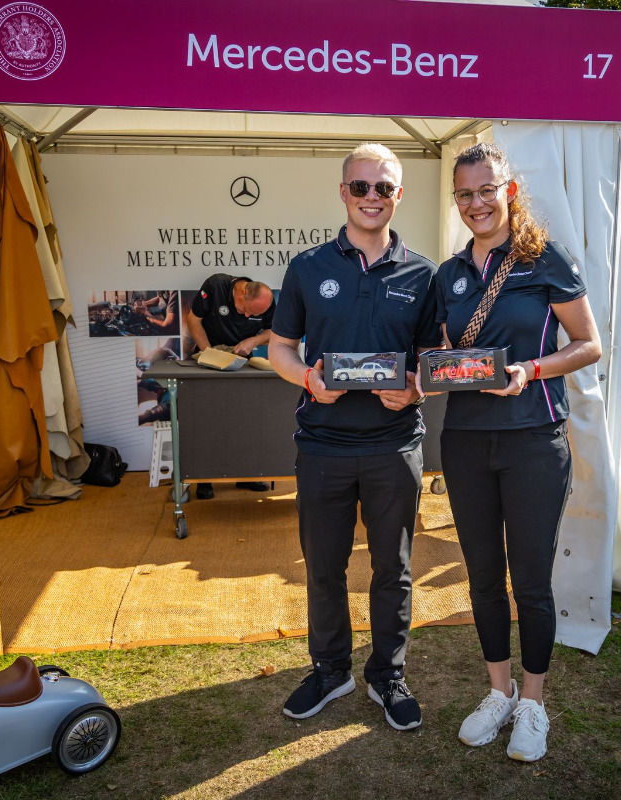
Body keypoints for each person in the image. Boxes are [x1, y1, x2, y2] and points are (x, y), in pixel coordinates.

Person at [429, 142, 601, 761]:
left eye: (486, 190)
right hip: (466, 441)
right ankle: (497, 692)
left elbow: (589, 344)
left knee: (530, 581)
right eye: (465, 194)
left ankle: (533, 703)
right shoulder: (448, 274)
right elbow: (441, 351)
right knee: (481, 577)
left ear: (509, 192)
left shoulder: (544, 259)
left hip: (534, 439)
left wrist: (532, 368)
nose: (476, 203)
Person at [268, 143, 441, 731]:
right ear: (343, 192)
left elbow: (433, 358)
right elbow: (280, 349)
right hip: (323, 444)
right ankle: (330, 669)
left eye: (383, 187)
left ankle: (387, 675)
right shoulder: (307, 267)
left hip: (395, 444)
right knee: (324, 567)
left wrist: (416, 390)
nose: (372, 197)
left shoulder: (423, 273)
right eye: (361, 186)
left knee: (393, 568)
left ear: (399, 195)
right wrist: (308, 379)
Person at [188, 276, 276, 499]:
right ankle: (205, 479)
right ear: (241, 292)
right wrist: (210, 354)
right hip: (208, 357)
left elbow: (272, 331)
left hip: (241, 360)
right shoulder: (215, 286)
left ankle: (246, 474)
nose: (247, 316)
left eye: (252, 315)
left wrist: (253, 341)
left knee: (246, 421)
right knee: (208, 421)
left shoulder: (265, 300)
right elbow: (193, 320)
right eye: (245, 310)